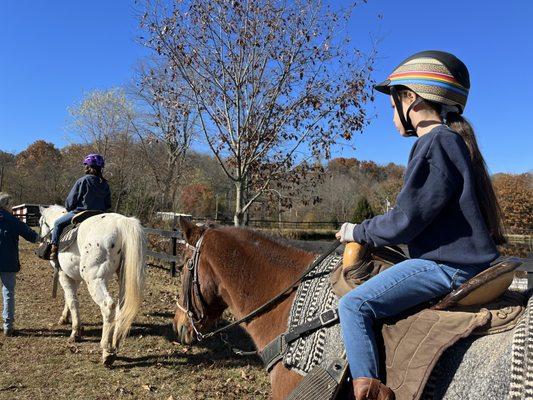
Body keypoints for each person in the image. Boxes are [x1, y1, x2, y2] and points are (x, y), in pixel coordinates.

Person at [334, 51, 506, 400]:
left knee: (353, 306)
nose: (391, 115)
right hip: (465, 262)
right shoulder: (453, 142)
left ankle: (367, 392)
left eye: (392, 102)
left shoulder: (434, 143)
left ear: (410, 98)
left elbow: (405, 220)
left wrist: (357, 231)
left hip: (448, 267)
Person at [49, 154, 112, 260]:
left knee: (57, 223)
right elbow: (108, 204)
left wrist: (70, 209)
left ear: (88, 166)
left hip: (81, 214)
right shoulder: (105, 184)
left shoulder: (83, 180)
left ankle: (54, 250)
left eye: (86, 165)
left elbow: (70, 202)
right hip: (101, 215)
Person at [0, 192, 40, 336]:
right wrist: (42, 238)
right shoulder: (13, 221)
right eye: (10, 204)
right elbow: (32, 236)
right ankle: (8, 326)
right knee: (8, 292)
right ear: (6, 206)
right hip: (8, 262)